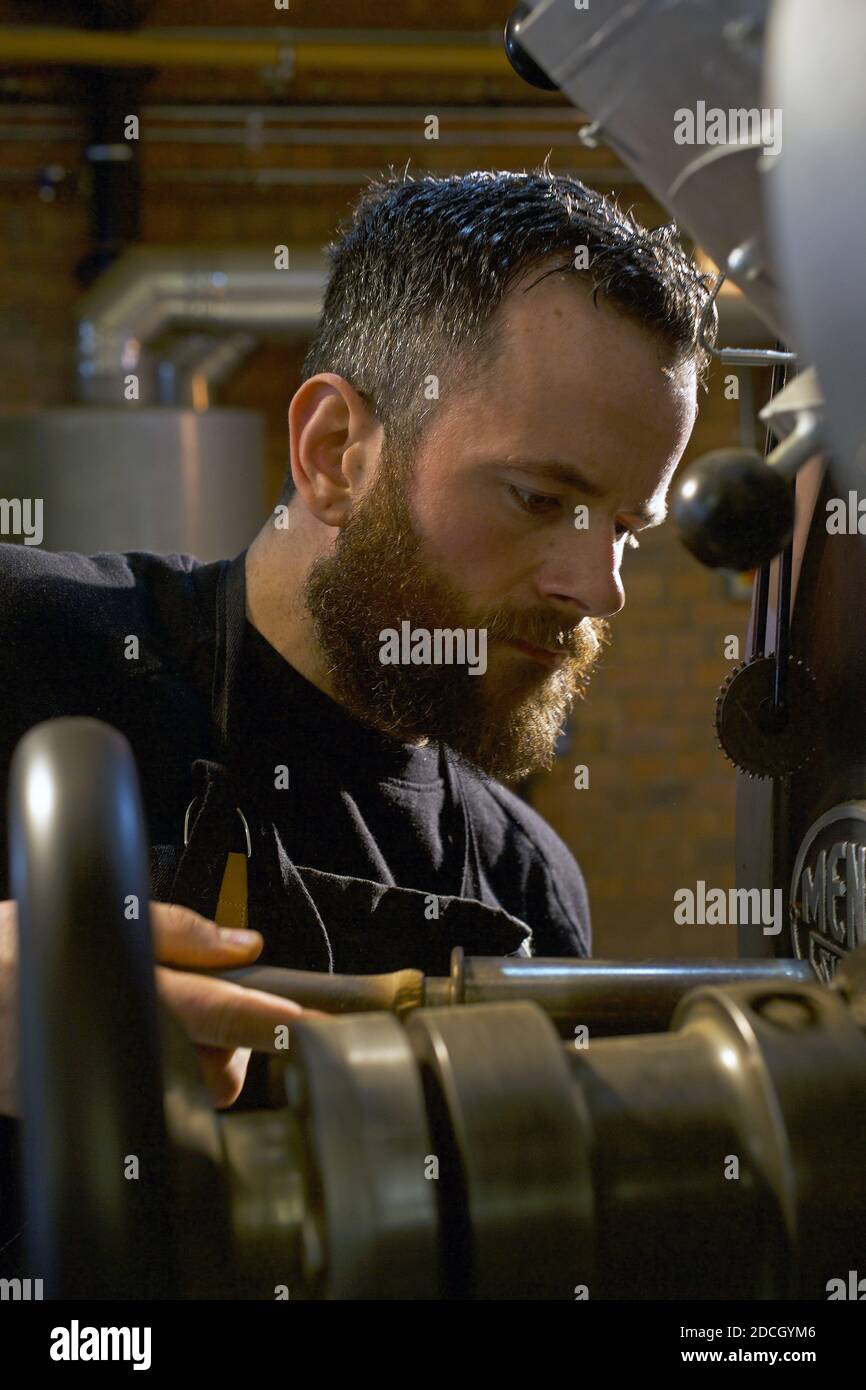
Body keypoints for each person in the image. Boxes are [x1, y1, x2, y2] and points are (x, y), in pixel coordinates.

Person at [0, 164, 709, 1274]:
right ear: (337, 453)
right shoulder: (34, 648)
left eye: (624, 525)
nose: (598, 585)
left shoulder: (523, 893)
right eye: (538, 498)